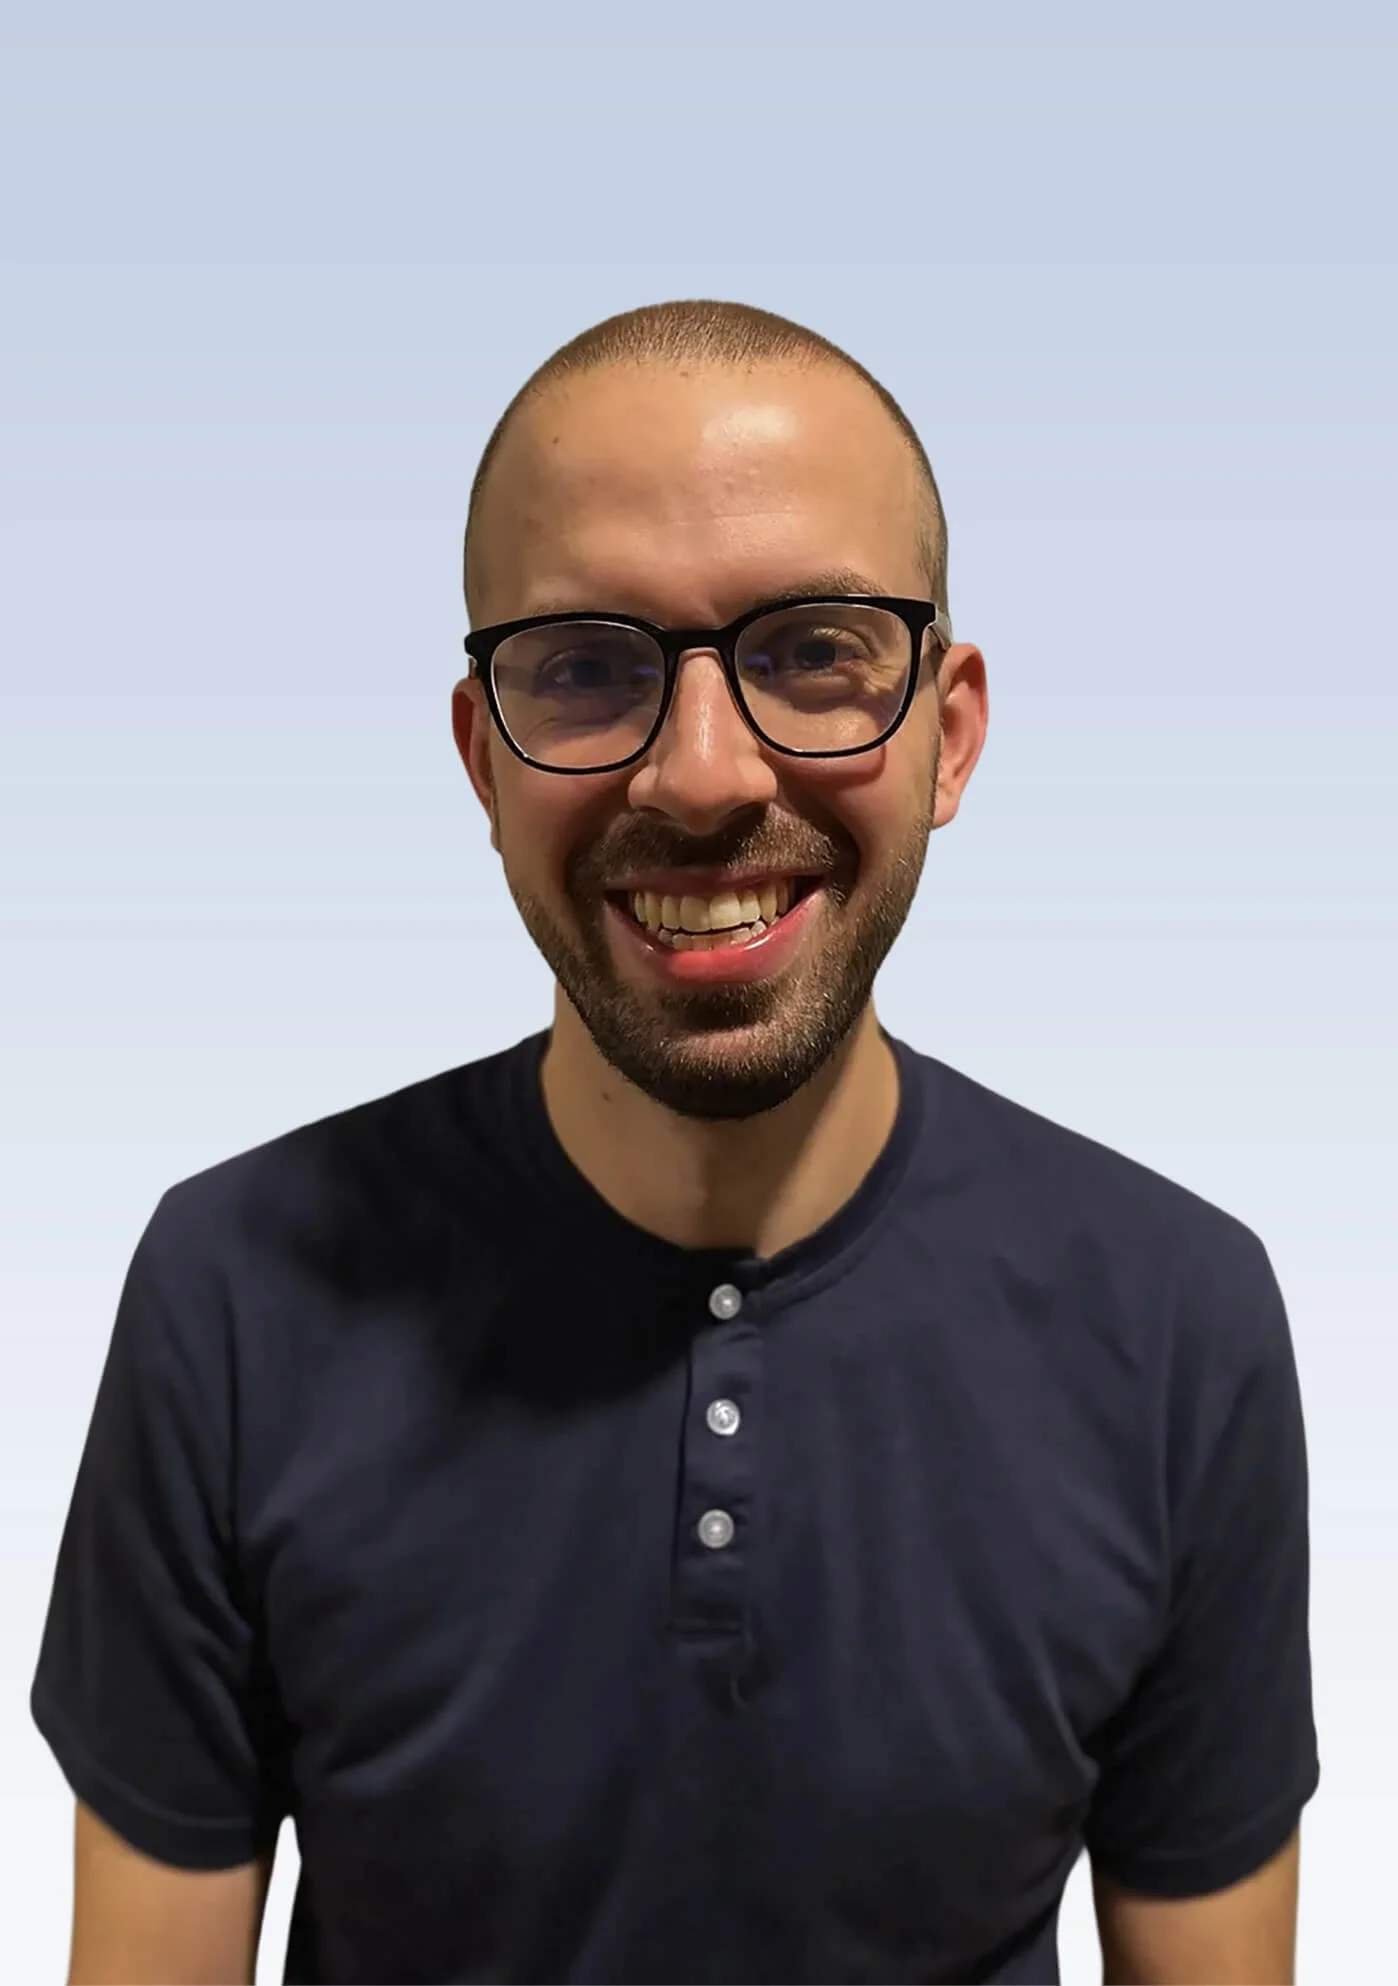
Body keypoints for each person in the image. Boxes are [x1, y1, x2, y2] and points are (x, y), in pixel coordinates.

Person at [32, 300, 1319, 1986]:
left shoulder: (1176, 1321)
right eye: (585, 668)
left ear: (949, 732)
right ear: (480, 758)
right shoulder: (235, 1291)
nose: (703, 776)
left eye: (815, 650)